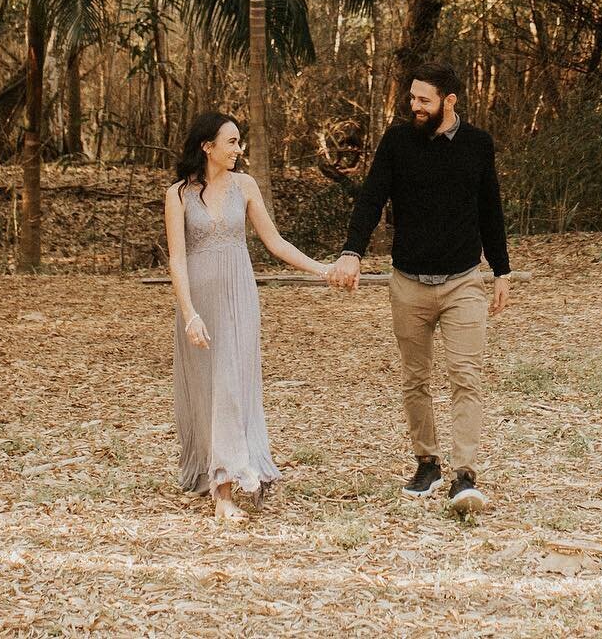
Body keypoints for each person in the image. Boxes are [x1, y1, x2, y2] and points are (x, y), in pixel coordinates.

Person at [327, 62, 512, 513]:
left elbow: (490, 207)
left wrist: (501, 270)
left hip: (463, 282)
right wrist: (352, 250)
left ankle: (464, 475)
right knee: (415, 379)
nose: (415, 106)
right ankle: (427, 462)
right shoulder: (397, 142)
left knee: (466, 377)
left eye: (424, 100)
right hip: (408, 282)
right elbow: (372, 196)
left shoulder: (477, 145)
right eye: (412, 98)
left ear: (449, 101)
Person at [165, 110, 329, 520]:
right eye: (231, 142)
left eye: (239, 142)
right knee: (207, 389)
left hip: (239, 298)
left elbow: (275, 243)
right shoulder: (178, 195)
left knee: (233, 385)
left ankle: (232, 482)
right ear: (208, 146)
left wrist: (323, 271)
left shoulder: (245, 186)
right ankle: (218, 485)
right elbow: (177, 260)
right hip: (200, 304)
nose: (238, 150)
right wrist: (189, 314)